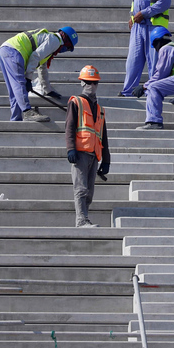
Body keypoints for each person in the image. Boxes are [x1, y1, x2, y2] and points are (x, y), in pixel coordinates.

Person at [120, 0, 173, 97]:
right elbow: (134, 0)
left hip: (154, 28)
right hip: (138, 27)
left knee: (155, 64)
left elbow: (164, 3)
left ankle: (154, 94)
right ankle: (127, 92)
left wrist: (144, 13)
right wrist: (132, 16)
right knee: (133, 62)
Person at [0, 26, 77, 122]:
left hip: (4, 50)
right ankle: (27, 112)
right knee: (19, 84)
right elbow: (35, 57)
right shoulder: (55, 41)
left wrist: (47, 90)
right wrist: (28, 78)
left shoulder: (48, 39)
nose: (65, 51)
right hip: (14, 51)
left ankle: (15, 120)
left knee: (14, 90)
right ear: (66, 42)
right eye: (68, 48)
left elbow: (42, 67)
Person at [66, 65, 111, 228]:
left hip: (94, 154)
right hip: (80, 153)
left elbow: (103, 136)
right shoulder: (76, 102)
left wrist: (106, 160)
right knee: (81, 188)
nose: (91, 86)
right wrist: (70, 148)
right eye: (88, 82)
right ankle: (81, 220)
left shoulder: (100, 109)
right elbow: (69, 127)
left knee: (89, 192)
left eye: (94, 83)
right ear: (82, 83)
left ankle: (85, 218)